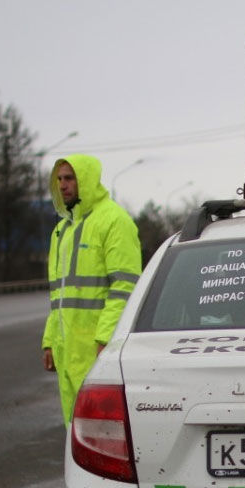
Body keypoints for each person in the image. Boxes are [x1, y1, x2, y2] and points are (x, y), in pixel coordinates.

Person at [41, 154, 142, 424]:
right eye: (59, 179)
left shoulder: (114, 221)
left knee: (102, 428)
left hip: (96, 347)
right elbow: (57, 298)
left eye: (69, 178)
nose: (63, 186)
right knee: (74, 426)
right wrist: (50, 342)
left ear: (85, 180)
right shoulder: (61, 230)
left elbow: (125, 287)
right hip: (67, 349)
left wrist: (106, 339)